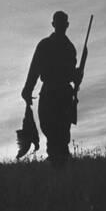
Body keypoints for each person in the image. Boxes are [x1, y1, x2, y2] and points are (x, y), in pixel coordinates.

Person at [21, 11, 83, 165]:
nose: (61, 25)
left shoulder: (69, 48)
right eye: (59, 22)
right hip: (51, 93)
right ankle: (58, 164)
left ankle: (58, 165)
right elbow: (34, 68)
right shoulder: (46, 45)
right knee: (51, 129)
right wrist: (27, 89)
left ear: (66, 25)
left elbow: (71, 74)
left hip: (62, 94)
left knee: (61, 133)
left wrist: (77, 76)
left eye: (63, 23)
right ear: (54, 24)